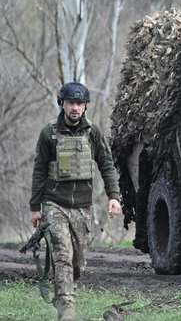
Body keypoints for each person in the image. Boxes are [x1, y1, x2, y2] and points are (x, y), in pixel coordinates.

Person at [29, 82, 122, 321]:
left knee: (78, 260)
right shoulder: (48, 133)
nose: (75, 108)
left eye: (79, 103)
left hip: (83, 207)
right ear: (62, 104)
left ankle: (67, 294)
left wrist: (113, 196)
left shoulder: (93, 132)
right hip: (54, 204)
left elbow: (107, 164)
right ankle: (67, 308)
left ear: (85, 107)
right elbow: (39, 171)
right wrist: (35, 207)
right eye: (71, 102)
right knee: (62, 253)